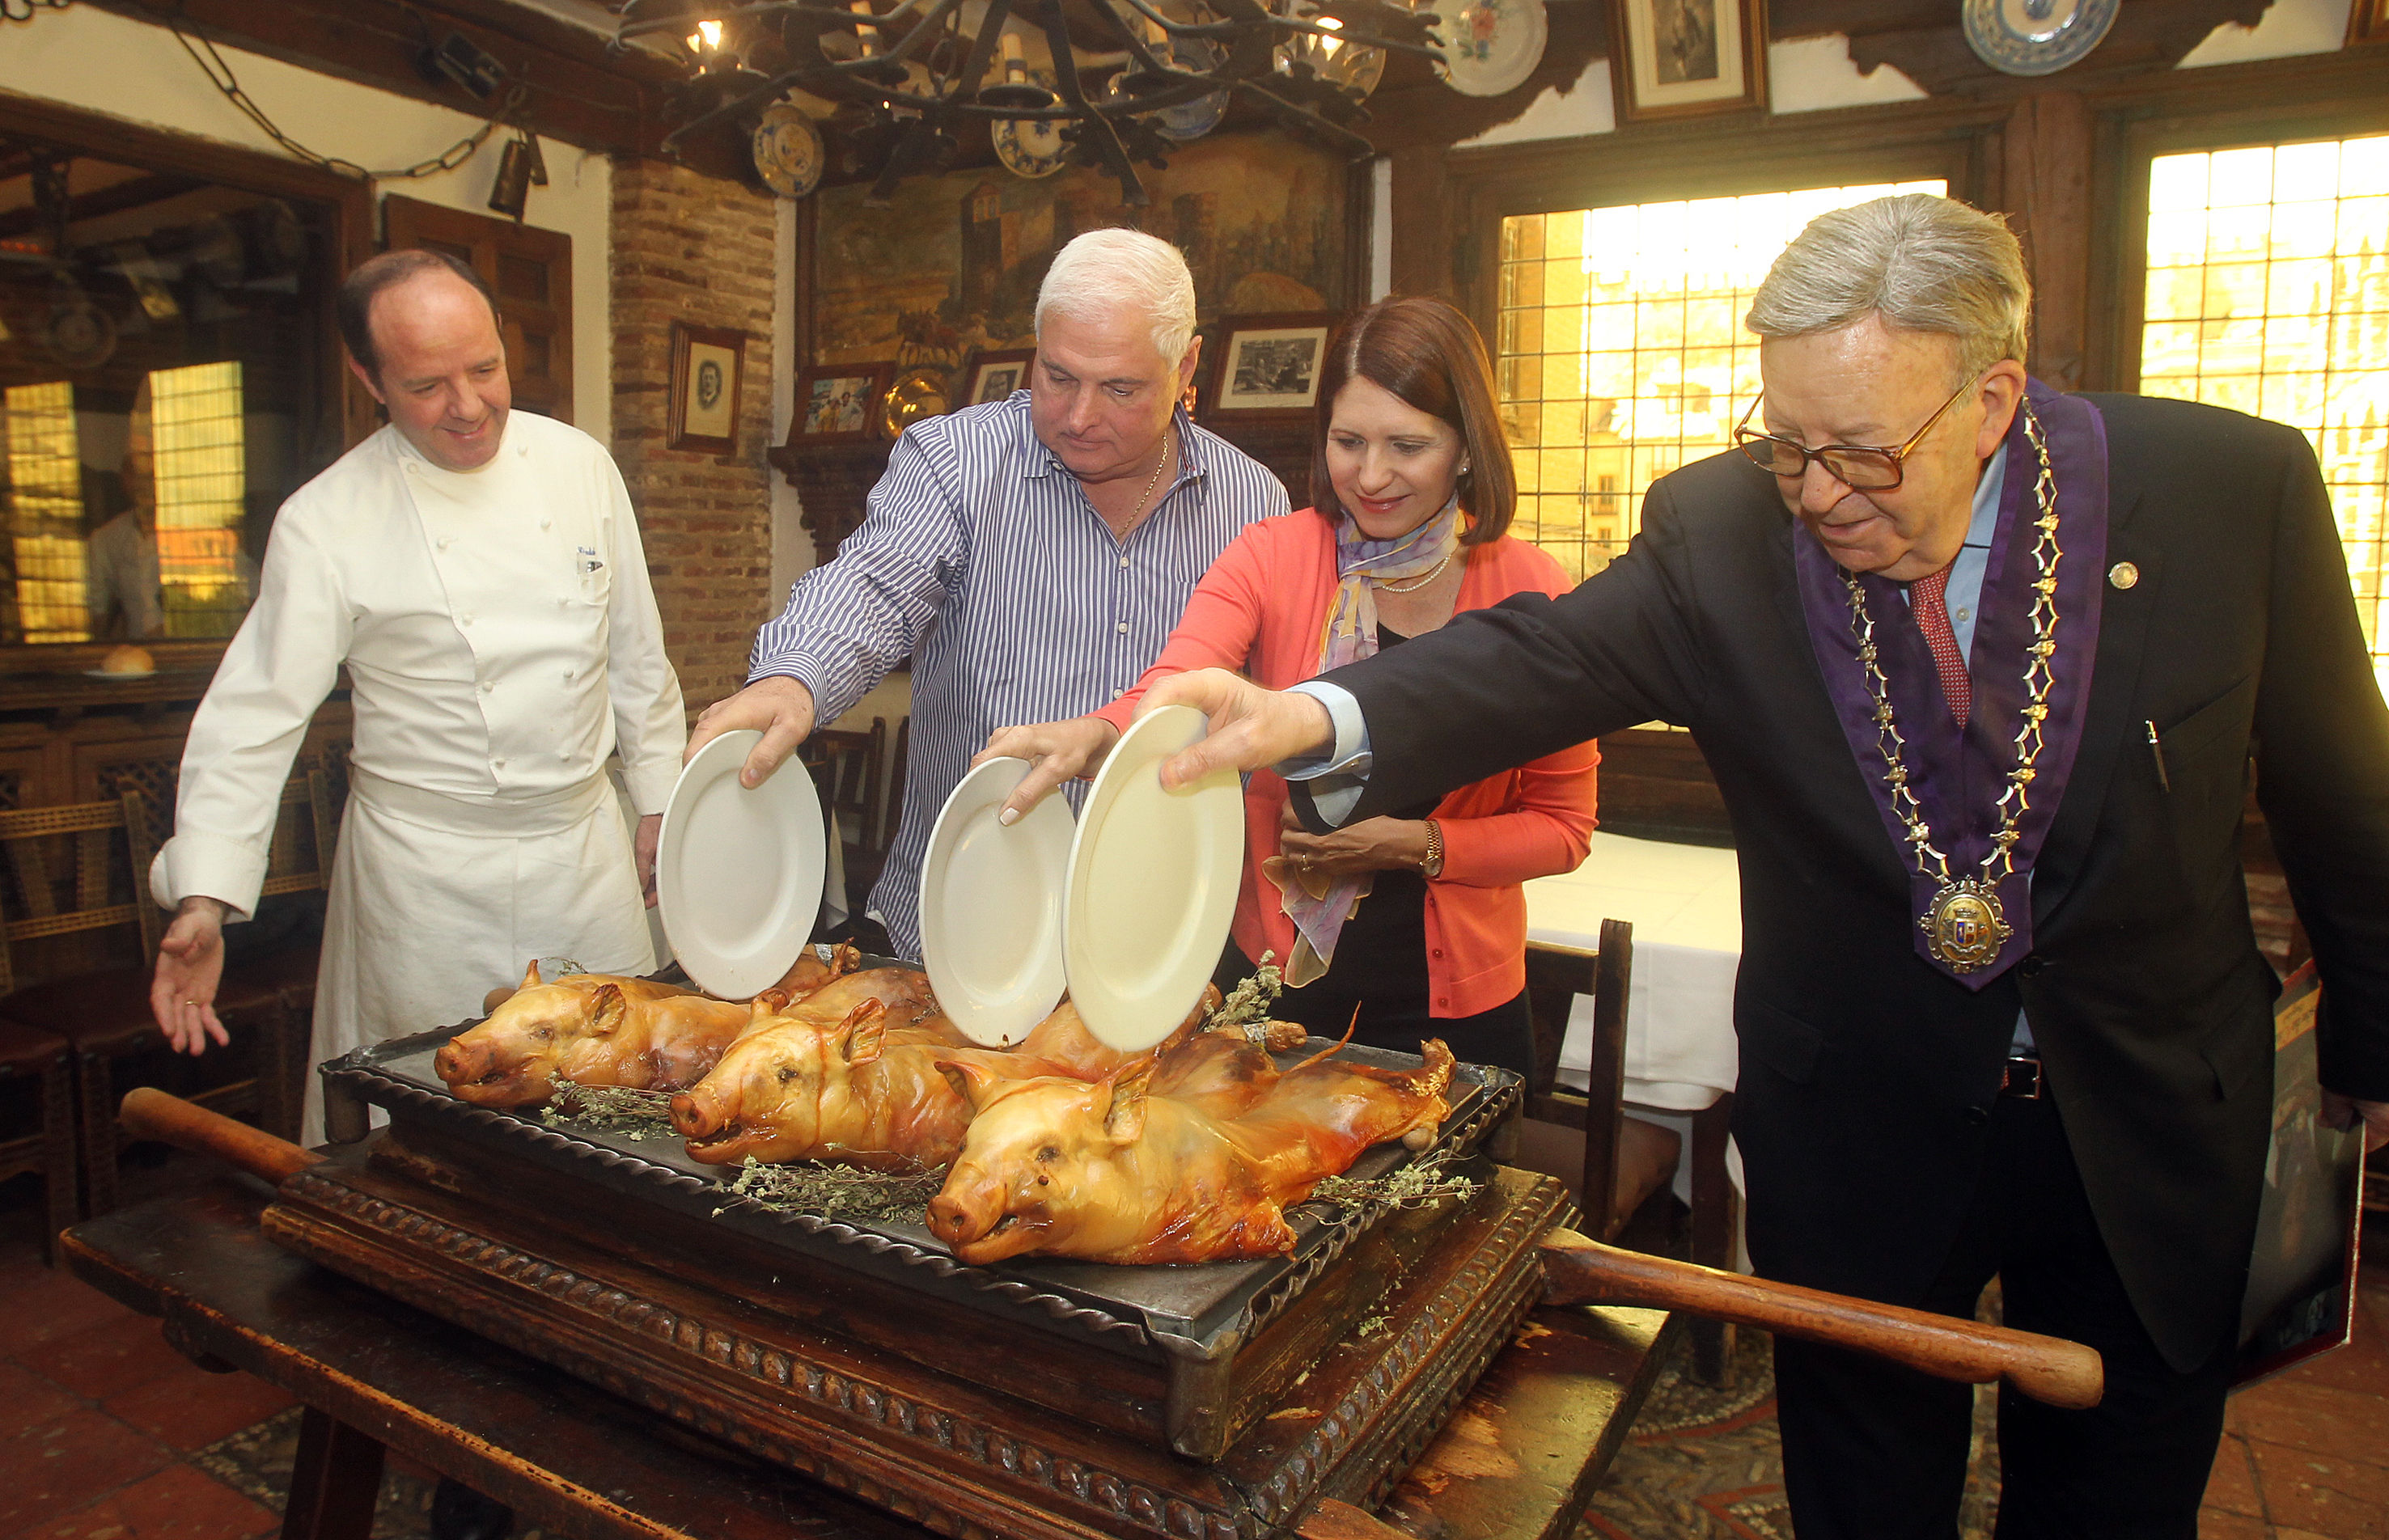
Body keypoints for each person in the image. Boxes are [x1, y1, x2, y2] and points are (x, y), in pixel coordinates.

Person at [1132, 194, 2389, 1538]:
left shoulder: (2223, 491)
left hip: (2144, 1119)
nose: (1821, 493)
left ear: (1989, 398)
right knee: (1863, 1496)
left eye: (1863, 452)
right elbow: (1541, 657)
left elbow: (2341, 792)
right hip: (1860, 1120)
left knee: (2114, 1502)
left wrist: (2370, 1059)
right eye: (1788, 444)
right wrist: (1307, 716)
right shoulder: (1724, 528)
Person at [148, 248, 685, 1151]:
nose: (467, 405)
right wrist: (204, 898)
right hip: (422, 882)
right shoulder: (327, 520)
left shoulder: (581, 466)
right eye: (427, 385)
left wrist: (662, 801)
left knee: (610, 1112)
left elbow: (636, 655)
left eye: (485, 369)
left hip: (584, 859)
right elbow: (255, 715)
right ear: (371, 380)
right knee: (422, 1127)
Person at [981, 296, 1596, 1076]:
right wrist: (1100, 732)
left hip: (1456, 1009)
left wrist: (1408, 844)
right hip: (1271, 987)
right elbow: (1183, 684)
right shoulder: (1272, 554)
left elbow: (1563, 827)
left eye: (1407, 446)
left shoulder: (1531, 591)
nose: (1370, 476)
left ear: (1466, 449)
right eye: (1348, 442)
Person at [688, 228, 1290, 958]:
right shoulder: (956, 462)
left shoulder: (1252, 502)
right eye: (1058, 376)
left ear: (1185, 364)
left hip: (1157, 940)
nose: (1079, 416)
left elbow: (1275, 706)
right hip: (961, 921)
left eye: (1119, 389)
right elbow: (874, 585)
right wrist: (794, 679)